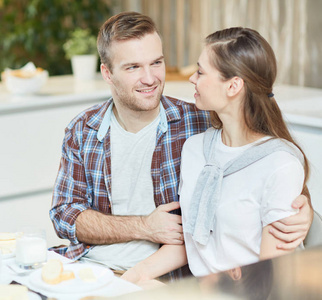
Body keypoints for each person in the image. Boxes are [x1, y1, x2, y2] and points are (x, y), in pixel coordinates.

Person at [50, 12, 312, 278]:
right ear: (107, 73)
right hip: (92, 266)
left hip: (173, 280)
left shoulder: (197, 122)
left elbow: (268, 164)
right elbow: (63, 214)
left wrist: (302, 212)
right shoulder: (84, 129)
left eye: (156, 63)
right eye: (133, 67)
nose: (150, 78)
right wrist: (143, 228)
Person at [121, 26, 311, 284]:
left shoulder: (279, 164)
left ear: (233, 86)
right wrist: (133, 277)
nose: (192, 79)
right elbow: (194, 240)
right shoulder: (195, 149)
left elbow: (273, 278)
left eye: (200, 71)